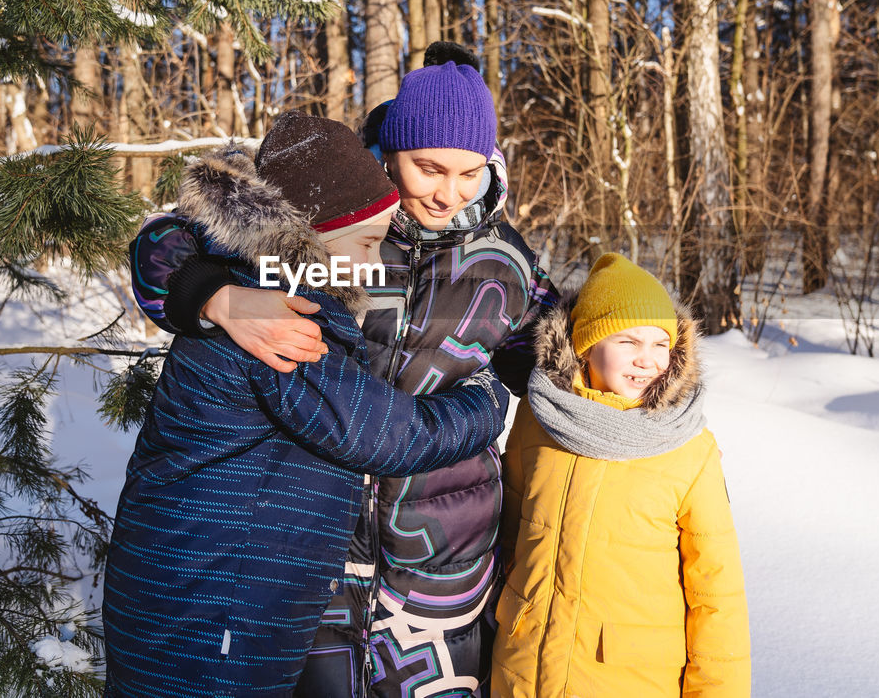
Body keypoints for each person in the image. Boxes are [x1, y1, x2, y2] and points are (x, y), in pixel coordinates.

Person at [128, 47, 558, 696]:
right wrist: (216, 296)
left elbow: (569, 359)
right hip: (314, 556)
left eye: (470, 171)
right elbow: (164, 244)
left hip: (441, 561)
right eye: (429, 167)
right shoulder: (332, 215)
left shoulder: (506, 261)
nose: (448, 191)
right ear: (390, 149)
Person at [491, 253, 750, 697]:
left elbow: (716, 594)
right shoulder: (538, 421)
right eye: (628, 342)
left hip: (627, 678)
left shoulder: (688, 448)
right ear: (585, 345)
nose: (648, 361)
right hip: (523, 669)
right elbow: (509, 536)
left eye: (660, 345)